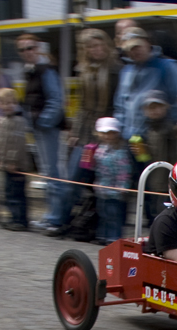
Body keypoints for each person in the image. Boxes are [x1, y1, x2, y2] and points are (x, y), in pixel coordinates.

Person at [53, 28, 122, 237]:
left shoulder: (116, 69)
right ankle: (61, 220)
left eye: (100, 45)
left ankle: (99, 228)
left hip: (109, 129)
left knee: (103, 184)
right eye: (91, 46)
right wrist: (75, 131)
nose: (97, 49)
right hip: (86, 131)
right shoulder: (83, 70)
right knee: (74, 178)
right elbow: (82, 104)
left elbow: (118, 103)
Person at [18, 34, 66, 231]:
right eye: (22, 50)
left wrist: (43, 122)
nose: (27, 52)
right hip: (37, 127)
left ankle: (56, 217)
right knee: (46, 172)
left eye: (30, 48)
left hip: (47, 128)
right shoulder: (31, 71)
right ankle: (51, 214)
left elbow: (56, 100)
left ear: (37, 48)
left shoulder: (46, 70)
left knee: (53, 172)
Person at [114, 27, 177, 142]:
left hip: (158, 136)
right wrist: (120, 130)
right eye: (129, 49)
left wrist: (174, 127)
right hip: (129, 138)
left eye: (137, 46)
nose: (134, 51)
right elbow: (120, 105)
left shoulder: (168, 66)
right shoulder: (126, 71)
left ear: (148, 42)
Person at [0, 88, 32, 231]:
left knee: (17, 193)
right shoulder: (1, 121)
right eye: (4, 103)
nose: (8, 106)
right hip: (5, 164)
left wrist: (11, 161)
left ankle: (20, 220)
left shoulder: (18, 121)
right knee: (8, 191)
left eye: (11, 103)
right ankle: (12, 216)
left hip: (16, 165)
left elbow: (16, 143)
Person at [137, 89, 177, 223]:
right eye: (150, 108)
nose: (154, 111)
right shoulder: (145, 128)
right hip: (149, 174)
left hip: (165, 176)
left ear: (166, 107)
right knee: (149, 208)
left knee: (161, 209)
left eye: (158, 107)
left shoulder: (170, 128)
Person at [92, 117, 132, 245]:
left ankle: (114, 238)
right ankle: (102, 235)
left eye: (111, 133)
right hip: (101, 188)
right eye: (104, 133)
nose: (107, 136)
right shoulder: (99, 149)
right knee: (103, 214)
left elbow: (124, 171)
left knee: (114, 215)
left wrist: (123, 186)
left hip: (115, 191)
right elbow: (97, 167)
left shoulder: (121, 152)